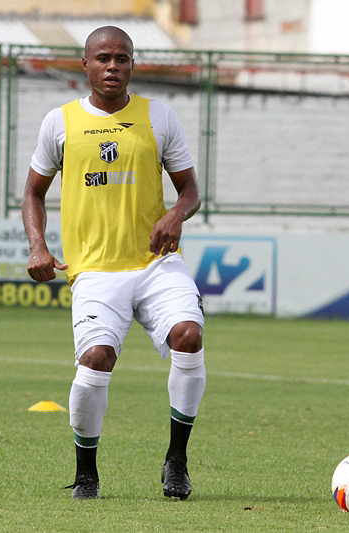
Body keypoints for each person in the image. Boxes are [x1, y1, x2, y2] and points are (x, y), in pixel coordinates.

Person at [22, 26, 206, 501]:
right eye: (102, 58)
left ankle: (177, 461)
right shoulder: (59, 122)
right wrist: (37, 246)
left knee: (189, 335)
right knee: (95, 359)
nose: (112, 66)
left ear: (132, 65)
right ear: (84, 64)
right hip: (96, 272)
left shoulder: (159, 118)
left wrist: (175, 214)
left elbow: (190, 190)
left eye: (121, 59)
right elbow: (33, 194)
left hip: (156, 264)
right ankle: (86, 474)